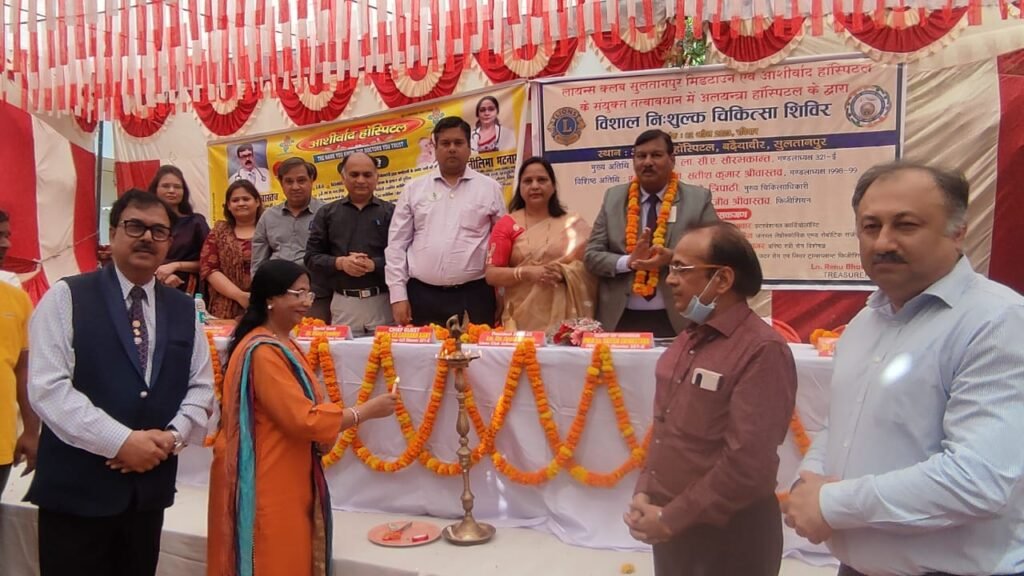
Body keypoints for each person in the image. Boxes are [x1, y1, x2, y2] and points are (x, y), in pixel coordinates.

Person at [784, 162, 1024, 576]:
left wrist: (831, 503)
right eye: (870, 226)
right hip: (855, 566)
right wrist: (809, 483)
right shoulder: (864, 323)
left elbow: (976, 480)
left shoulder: (997, 322)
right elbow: (840, 425)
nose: (883, 242)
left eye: (906, 225)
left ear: (958, 231)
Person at [26, 189, 214, 576]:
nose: (147, 237)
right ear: (112, 235)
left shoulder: (185, 308)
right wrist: (122, 441)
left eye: (158, 231)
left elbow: (201, 386)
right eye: (134, 226)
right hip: (76, 494)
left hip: (147, 495)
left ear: (169, 242)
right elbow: (49, 388)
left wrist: (174, 437)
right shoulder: (67, 296)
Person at [624, 221, 796, 575]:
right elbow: (665, 429)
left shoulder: (762, 350)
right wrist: (646, 491)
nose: (670, 280)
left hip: (730, 535)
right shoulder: (688, 338)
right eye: (671, 269)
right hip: (670, 524)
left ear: (722, 279)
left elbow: (748, 464)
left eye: (681, 269)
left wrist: (672, 518)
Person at [207, 259, 397, 576]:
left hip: (288, 468)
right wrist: (364, 412)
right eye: (297, 294)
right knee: (272, 559)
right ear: (270, 298)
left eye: (308, 294)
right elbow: (302, 419)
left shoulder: (285, 344)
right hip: (267, 474)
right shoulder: (263, 351)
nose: (306, 303)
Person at [584, 129, 719, 338]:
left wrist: (672, 258)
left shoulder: (698, 199)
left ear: (672, 159)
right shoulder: (613, 198)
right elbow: (591, 256)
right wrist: (628, 262)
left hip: (678, 317)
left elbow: (716, 252)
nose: (647, 162)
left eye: (656, 155)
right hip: (620, 317)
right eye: (641, 156)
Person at [385, 116, 505, 326]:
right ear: (435, 148)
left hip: (476, 295)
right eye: (445, 143)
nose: (452, 149)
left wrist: (503, 292)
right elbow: (396, 245)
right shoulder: (413, 189)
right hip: (422, 296)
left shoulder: (490, 188)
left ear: (469, 147)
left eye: (458, 143)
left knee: (476, 348)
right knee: (424, 349)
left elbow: (502, 245)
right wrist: (398, 295)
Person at [485, 157, 597, 331]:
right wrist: (525, 272)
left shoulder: (573, 223)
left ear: (553, 186)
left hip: (565, 320)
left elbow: (592, 267)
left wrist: (565, 274)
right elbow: (492, 274)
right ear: (520, 187)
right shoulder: (507, 224)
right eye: (528, 181)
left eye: (542, 180)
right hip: (520, 319)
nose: (535, 186)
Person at [305, 153, 394, 336]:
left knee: (385, 352)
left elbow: (404, 256)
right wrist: (340, 263)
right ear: (343, 177)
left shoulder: (391, 212)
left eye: (367, 175)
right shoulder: (327, 213)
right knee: (342, 353)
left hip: (383, 300)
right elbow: (311, 258)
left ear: (377, 177)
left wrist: (374, 265)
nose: (360, 180)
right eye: (354, 175)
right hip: (344, 302)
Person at [252, 157, 330, 321]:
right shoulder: (268, 217)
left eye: (301, 180)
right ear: (281, 183)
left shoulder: (327, 213)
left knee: (315, 337)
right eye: (289, 181)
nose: (295, 187)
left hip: (316, 300)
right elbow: (258, 263)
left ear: (312, 180)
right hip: (278, 300)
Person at [0, 210, 37, 493]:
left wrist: (31, 431)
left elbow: (23, 371)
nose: (6, 244)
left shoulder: (18, 300)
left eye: (6, 235)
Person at [201, 180, 262, 320]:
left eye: (246, 199)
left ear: (257, 202)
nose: (241, 203)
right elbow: (209, 269)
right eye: (235, 200)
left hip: (265, 305)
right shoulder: (219, 231)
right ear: (228, 206)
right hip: (225, 305)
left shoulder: (269, 229)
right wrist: (240, 296)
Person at [148, 165, 210, 294]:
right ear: (156, 189)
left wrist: (175, 266)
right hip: (149, 286)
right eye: (166, 186)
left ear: (184, 191)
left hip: (188, 290)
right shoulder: (147, 223)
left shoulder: (196, 222)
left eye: (177, 187)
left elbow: (210, 262)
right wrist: (160, 273)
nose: (171, 190)